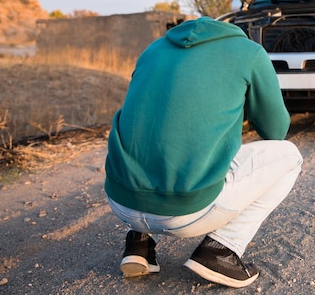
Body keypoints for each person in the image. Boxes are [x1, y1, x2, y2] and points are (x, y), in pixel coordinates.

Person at [104, 17, 303, 288]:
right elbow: (276, 130)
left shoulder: (154, 49)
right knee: (290, 156)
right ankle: (221, 250)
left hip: (121, 202)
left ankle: (138, 244)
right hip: (187, 215)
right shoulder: (249, 52)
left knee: (153, 133)